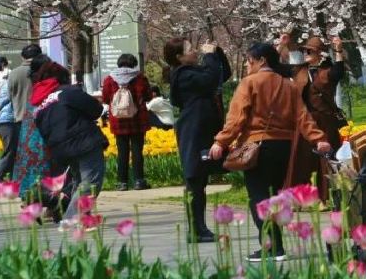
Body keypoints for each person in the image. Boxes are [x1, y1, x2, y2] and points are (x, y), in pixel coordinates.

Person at [208, 42, 332, 262]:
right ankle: (277, 245)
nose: (247, 65)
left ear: (261, 60)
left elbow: (237, 119)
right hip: (284, 147)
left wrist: (221, 142)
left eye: (249, 60)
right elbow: (303, 117)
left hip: (257, 147)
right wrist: (319, 139)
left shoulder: (249, 83)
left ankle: (272, 247)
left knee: (259, 199)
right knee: (275, 197)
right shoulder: (288, 85)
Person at [166, 38, 231, 244]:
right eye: (189, 49)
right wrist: (210, 55)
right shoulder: (184, 75)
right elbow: (210, 80)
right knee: (194, 180)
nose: (194, 51)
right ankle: (196, 229)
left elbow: (221, 75)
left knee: (200, 180)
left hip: (201, 131)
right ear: (179, 57)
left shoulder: (193, 72)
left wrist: (217, 53)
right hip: (193, 132)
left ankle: (200, 228)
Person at [35, 72, 109, 223]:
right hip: (83, 142)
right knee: (91, 181)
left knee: (79, 180)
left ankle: (81, 216)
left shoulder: (42, 105)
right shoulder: (69, 93)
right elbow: (96, 110)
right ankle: (73, 218)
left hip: (61, 149)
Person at [285, 34, 348, 200]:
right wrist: (282, 46)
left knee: (326, 160)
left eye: (310, 51)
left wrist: (338, 50)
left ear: (319, 54)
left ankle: (328, 196)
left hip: (326, 121)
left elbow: (339, 71)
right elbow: (276, 67)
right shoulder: (299, 70)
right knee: (303, 160)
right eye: (305, 50)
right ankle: (300, 197)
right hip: (306, 122)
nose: (306, 54)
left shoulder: (327, 71)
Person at [12, 59, 68, 212]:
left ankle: (31, 200)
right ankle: (50, 204)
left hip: (29, 139)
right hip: (46, 138)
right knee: (50, 171)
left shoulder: (37, 90)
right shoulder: (54, 91)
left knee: (33, 170)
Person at [101, 53, 153, 191]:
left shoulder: (109, 79)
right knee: (137, 151)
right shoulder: (140, 78)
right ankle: (139, 181)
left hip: (118, 121)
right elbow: (148, 96)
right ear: (133, 63)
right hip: (138, 120)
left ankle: (122, 182)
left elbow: (106, 99)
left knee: (122, 151)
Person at [0, 59, 20, 182]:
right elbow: (6, 102)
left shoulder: (4, 83)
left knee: (13, 153)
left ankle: (13, 181)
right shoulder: (8, 83)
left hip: (5, 121)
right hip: (8, 120)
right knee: (10, 152)